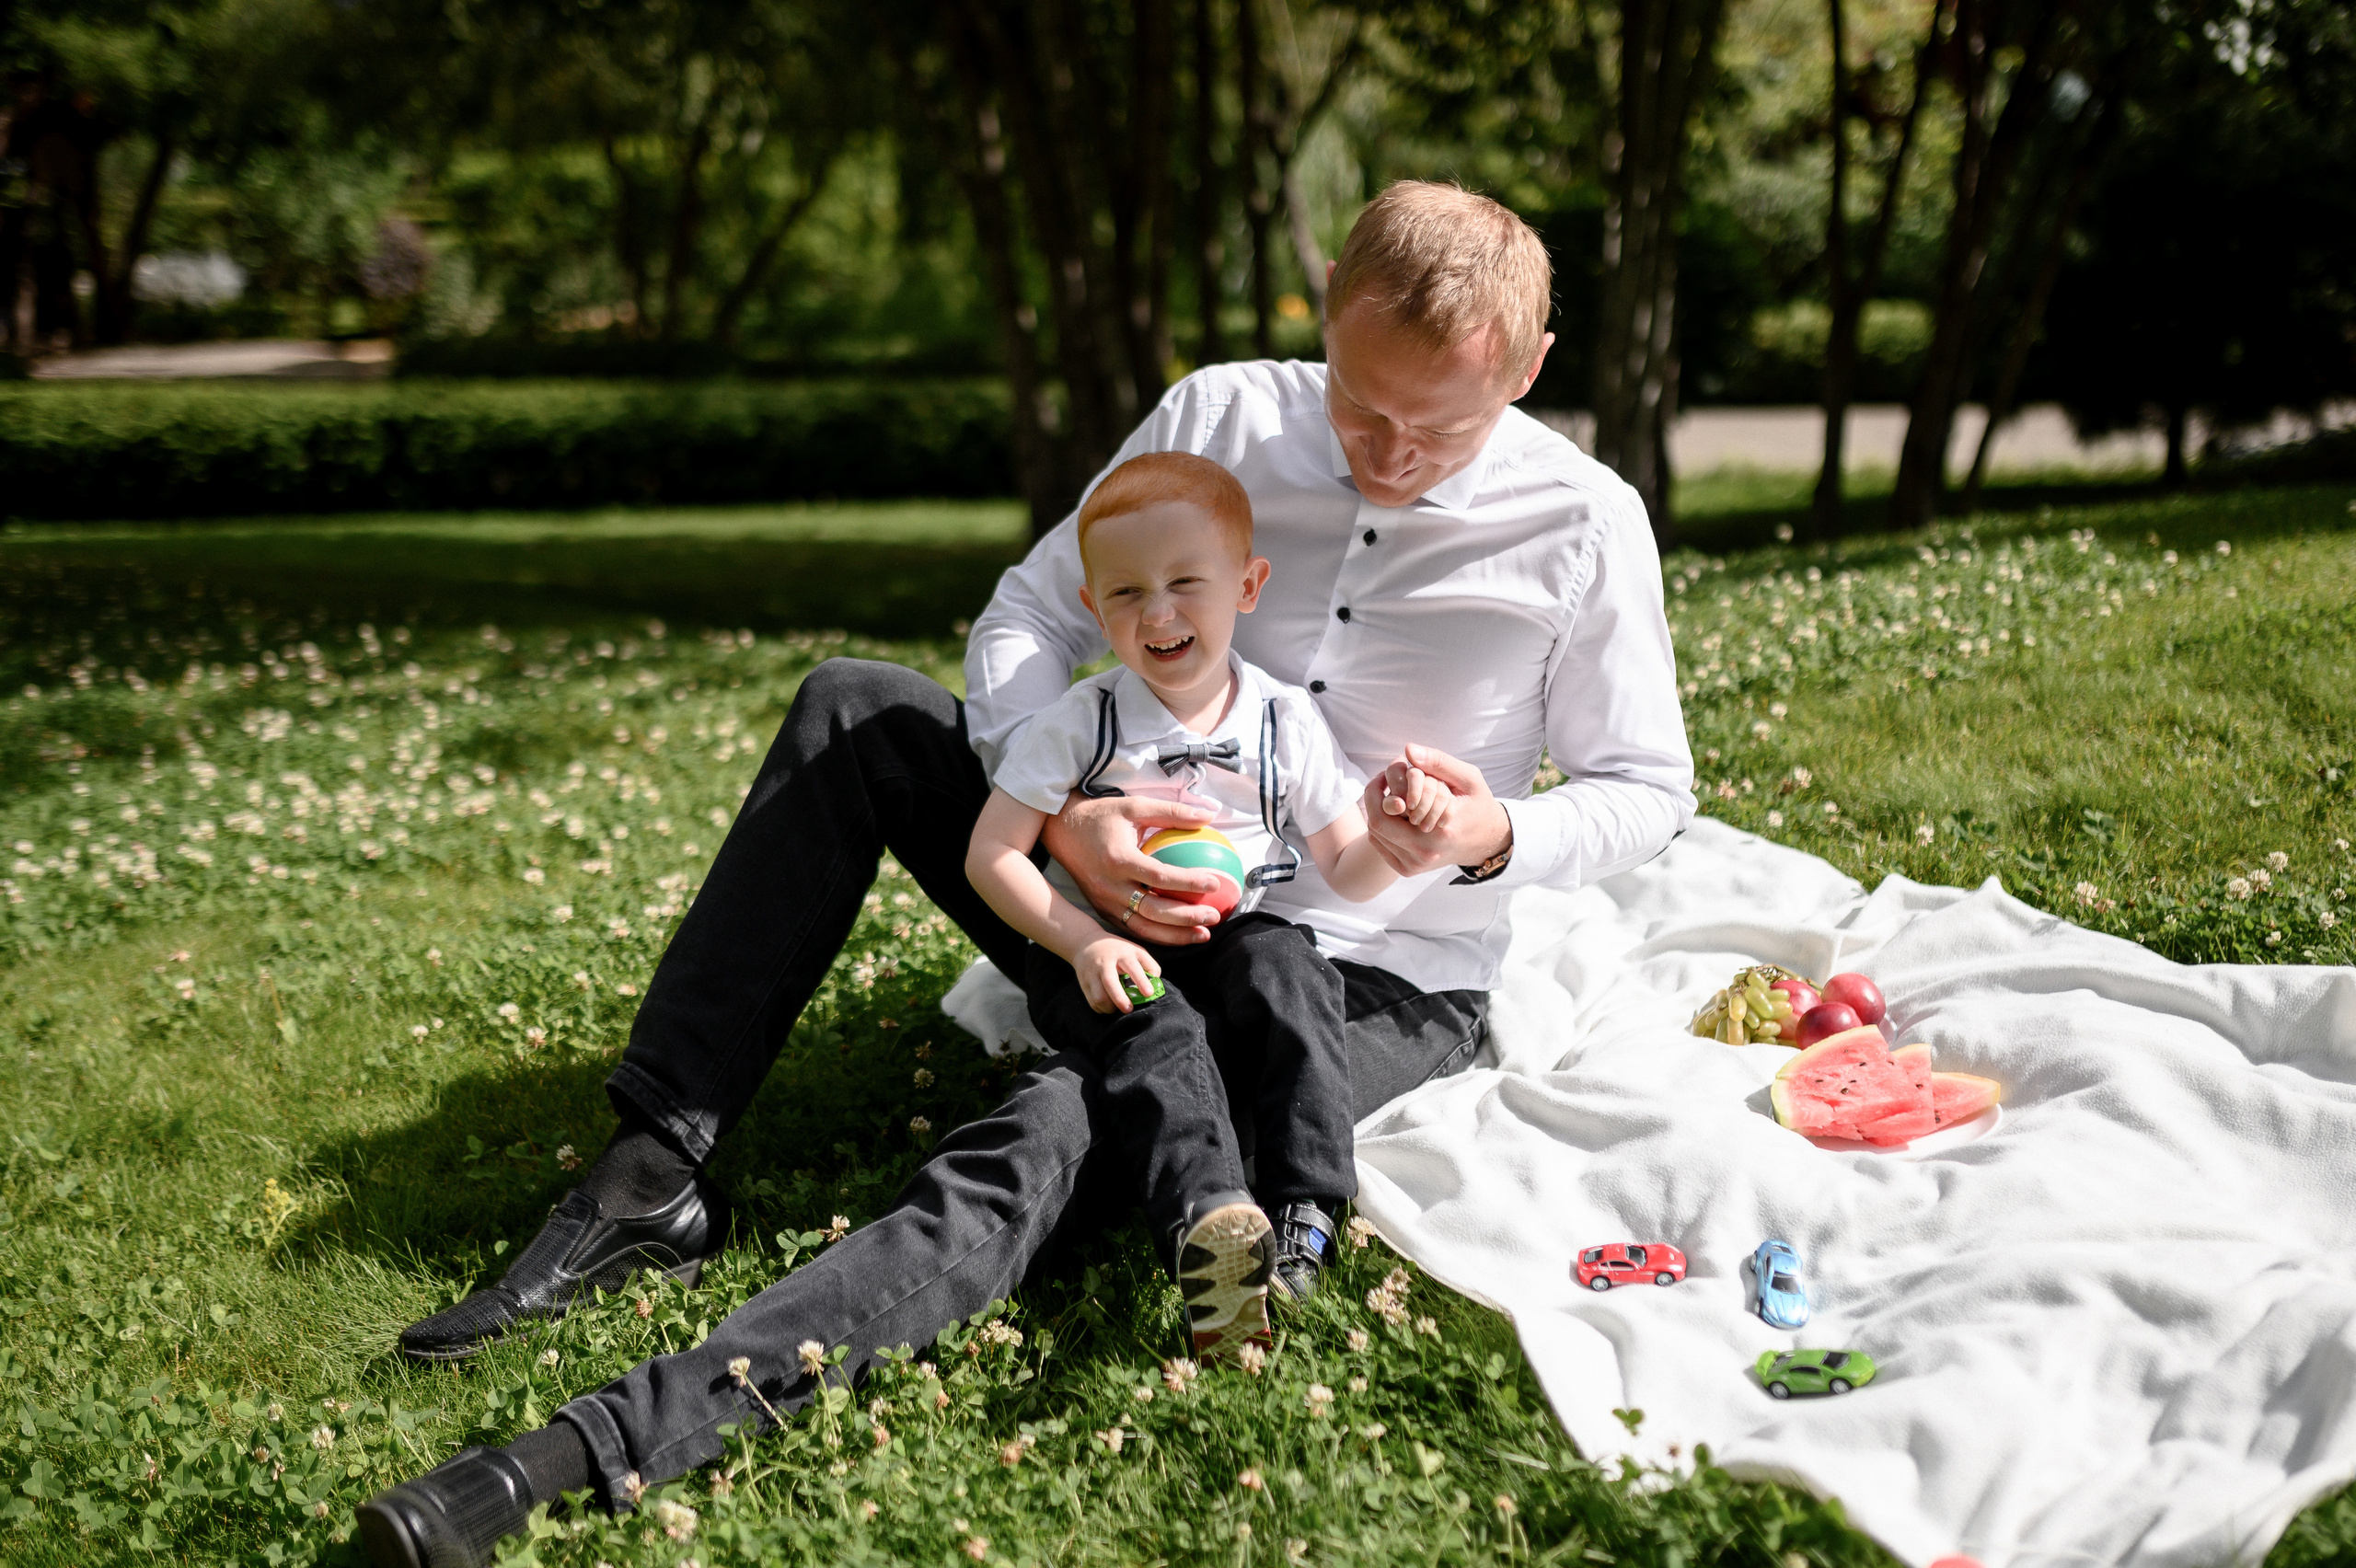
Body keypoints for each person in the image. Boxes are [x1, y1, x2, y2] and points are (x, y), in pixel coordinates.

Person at [357, 181, 1695, 1568]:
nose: (1394, 456)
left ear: (1532, 371)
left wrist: (1494, 838)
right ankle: (653, 1173)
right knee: (856, 705)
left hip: (1367, 965)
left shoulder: (1585, 524)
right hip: (1102, 888)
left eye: (1445, 429)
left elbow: (1649, 792)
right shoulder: (1220, 418)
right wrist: (1061, 824)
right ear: (1322, 327)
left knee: (1053, 1130)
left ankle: (602, 1443)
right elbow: (1032, 613)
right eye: (1363, 413)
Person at [969, 449, 1451, 1362]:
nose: (1157, 614)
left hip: (1231, 928)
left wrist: (1393, 841)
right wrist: (1076, 940)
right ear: (1091, 609)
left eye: (1186, 583)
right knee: (1159, 1033)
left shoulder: (1280, 721)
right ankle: (1209, 1223)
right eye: (1125, 594)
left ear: (1248, 584)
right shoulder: (1082, 721)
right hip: (1105, 938)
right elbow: (992, 853)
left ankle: (1305, 1205)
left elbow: (1343, 866)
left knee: (1291, 973)